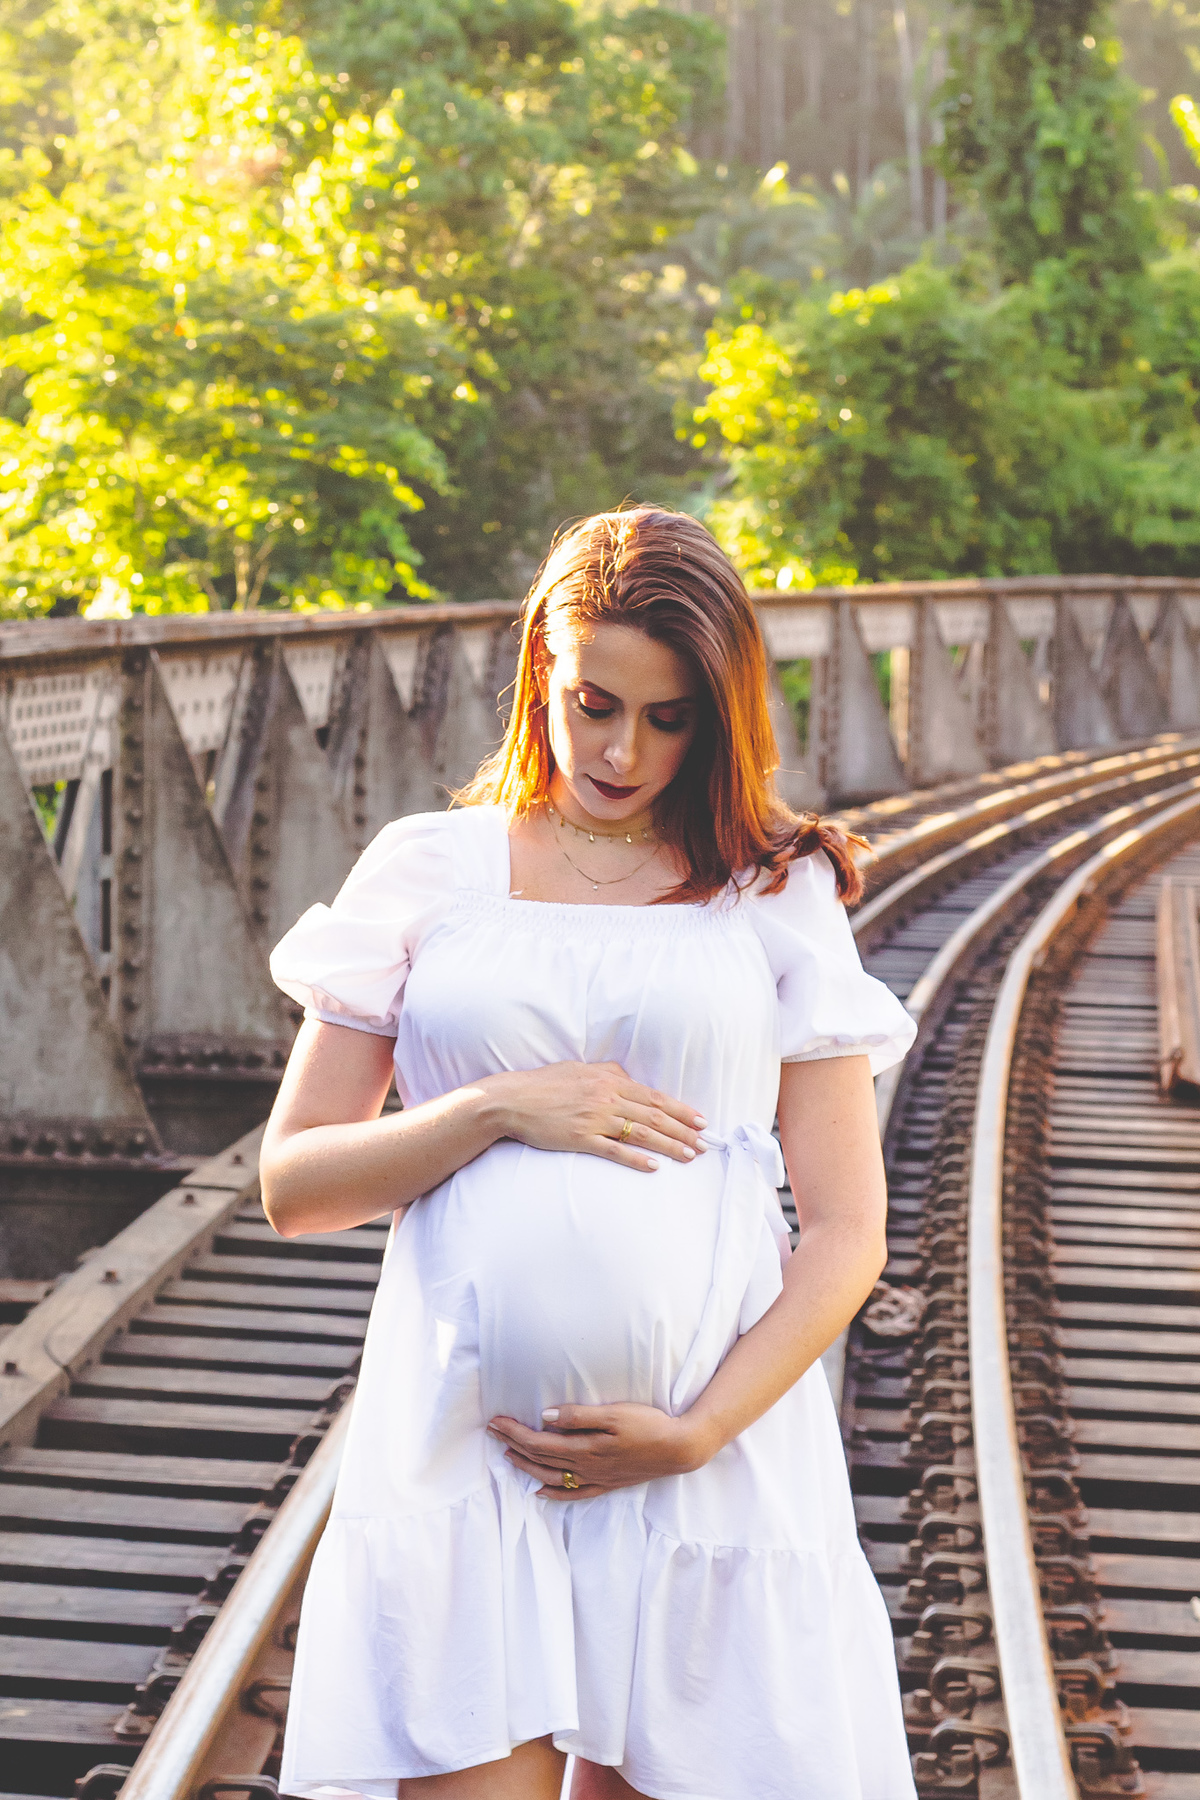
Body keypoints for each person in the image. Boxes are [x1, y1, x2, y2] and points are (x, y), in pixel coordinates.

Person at [262, 507, 918, 1800]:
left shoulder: (769, 888)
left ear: (720, 713)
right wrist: (494, 1110)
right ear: (538, 677)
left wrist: (698, 1432)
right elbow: (293, 1186)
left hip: (705, 1476)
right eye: (594, 703)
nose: (624, 750)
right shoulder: (431, 869)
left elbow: (847, 1230)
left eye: (671, 718)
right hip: (470, 1462)